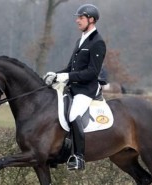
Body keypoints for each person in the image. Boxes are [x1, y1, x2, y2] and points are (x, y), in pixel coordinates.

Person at [43, 4, 106, 170]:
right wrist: (56, 75)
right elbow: (70, 68)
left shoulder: (98, 42)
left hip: (86, 90)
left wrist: (68, 76)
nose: (77, 20)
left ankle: (78, 157)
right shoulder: (81, 40)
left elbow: (92, 72)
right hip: (73, 88)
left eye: (81, 17)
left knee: (73, 115)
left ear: (91, 20)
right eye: (77, 17)